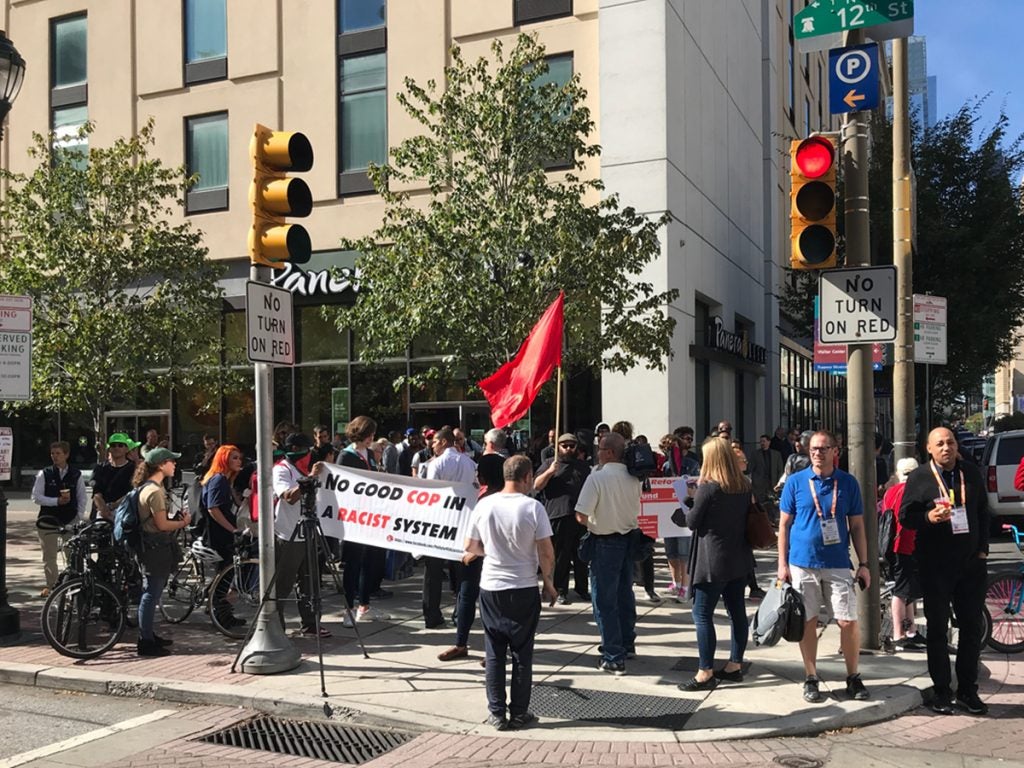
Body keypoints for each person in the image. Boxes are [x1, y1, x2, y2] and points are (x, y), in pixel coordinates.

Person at [899, 427, 990, 716]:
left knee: (972, 628)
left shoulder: (971, 472)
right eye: (939, 444)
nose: (946, 447)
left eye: (950, 442)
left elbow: (983, 512)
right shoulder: (921, 477)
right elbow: (906, 516)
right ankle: (941, 691)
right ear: (929, 448)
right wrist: (928, 516)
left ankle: (967, 689)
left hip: (970, 565)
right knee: (938, 630)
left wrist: (983, 550)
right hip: (935, 565)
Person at [777, 430, 870, 703]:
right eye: (814, 449)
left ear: (835, 451)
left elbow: (856, 526)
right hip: (802, 564)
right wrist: (782, 564)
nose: (818, 453)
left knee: (847, 620)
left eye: (824, 448)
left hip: (838, 563)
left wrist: (863, 564)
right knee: (808, 620)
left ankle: (853, 676)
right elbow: (783, 525)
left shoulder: (848, 483)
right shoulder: (795, 482)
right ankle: (810, 676)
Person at [465, 454, 556, 731]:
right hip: (523, 586)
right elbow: (546, 551)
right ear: (527, 477)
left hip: (492, 586)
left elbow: (471, 545)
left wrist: (487, 552)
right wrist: (549, 582)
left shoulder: (484, 505)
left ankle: (496, 712)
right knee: (522, 653)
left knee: (494, 652)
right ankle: (518, 711)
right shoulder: (533, 508)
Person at [678, 438, 752, 691]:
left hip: (712, 560)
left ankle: (705, 671)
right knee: (737, 613)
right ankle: (735, 665)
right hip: (738, 557)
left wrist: (688, 500)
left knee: (702, 615)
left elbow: (692, 522)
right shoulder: (744, 485)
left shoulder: (709, 488)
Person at [437, 429, 510, 661]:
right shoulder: (481, 494)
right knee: (466, 598)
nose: (476, 473)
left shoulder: (496, 500)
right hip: (473, 556)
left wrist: (475, 553)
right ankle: (461, 643)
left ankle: (495, 650)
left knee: (493, 607)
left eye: (480, 471)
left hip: (486, 560)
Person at [575, 432, 640, 675]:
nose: (597, 452)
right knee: (625, 593)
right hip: (629, 538)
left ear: (610, 452)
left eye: (601, 448)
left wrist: (593, 523)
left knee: (604, 600)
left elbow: (581, 513)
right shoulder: (633, 476)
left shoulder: (597, 477)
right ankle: (626, 643)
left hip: (604, 541)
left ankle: (613, 655)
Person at [134, 447, 191, 657]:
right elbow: (161, 525)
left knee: (152, 592)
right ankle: (145, 641)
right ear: (160, 465)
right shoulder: (154, 492)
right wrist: (183, 522)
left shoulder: (148, 487)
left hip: (151, 546)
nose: (174, 465)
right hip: (155, 547)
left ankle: (148, 635)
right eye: (171, 461)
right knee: (151, 594)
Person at [272, 432, 329, 637]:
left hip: (309, 532)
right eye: (307, 450)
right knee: (283, 583)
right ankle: (276, 627)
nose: (309, 455)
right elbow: (289, 497)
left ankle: (311, 623)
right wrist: (310, 478)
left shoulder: (301, 468)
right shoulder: (282, 469)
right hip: (289, 534)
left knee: (311, 581)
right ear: (295, 450)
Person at [422, 427, 478, 628]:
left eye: (435, 442)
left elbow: (430, 493)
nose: (432, 445)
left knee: (434, 570)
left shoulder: (436, 464)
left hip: (440, 520)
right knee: (461, 570)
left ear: (444, 442)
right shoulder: (469, 463)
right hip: (462, 520)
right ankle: (460, 614)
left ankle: (432, 614)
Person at [339, 416, 389, 624]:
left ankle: (364, 605)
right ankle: (348, 608)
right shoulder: (345, 456)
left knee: (370, 562)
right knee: (352, 564)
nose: (372, 438)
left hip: (370, 516)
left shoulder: (369, 454)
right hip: (353, 518)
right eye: (369, 434)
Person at [534, 433, 591, 605]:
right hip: (557, 514)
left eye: (571, 446)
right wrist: (550, 472)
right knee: (560, 557)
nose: (568, 449)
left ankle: (582, 588)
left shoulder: (582, 466)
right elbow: (536, 485)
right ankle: (559, 590)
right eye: (564, 445)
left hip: (579, 516)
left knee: (581, 555)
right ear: (557, 446)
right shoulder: (549, 463)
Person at [31, 441, 88, 595]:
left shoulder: (76, 474)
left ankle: (72, 585)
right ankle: (52, 586)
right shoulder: (45, 473)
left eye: (58, 453)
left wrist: (78, 516)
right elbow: (36, 497)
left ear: (66, 455)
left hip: (70, 519)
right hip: (48, 520)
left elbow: (82, 497)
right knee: (49, 556)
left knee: (72, 554)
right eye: (52, 453)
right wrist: (55, 501)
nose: (55, 456)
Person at [881, 457, 925, 651]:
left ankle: (911, 630)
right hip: (906, 544)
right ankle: (900, 633)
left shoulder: (891, 492)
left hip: (892, 545)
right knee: (901, 591)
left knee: (906, 589)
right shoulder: (914, 492)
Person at [200, 444, 247, 629]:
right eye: (234, 458)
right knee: (225, 573)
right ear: (224, 459)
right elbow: (213, 508)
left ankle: (219, 608)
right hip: (218, 534)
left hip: (222, 533)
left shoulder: (225, 480)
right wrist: (232, 529)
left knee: (225, 572)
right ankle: (220, 614)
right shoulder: (218, 479)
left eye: (239, 458)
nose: (238, 461)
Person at [92, 433, 140, 521]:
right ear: (109, 448)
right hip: (102, 513)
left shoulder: (134, 469)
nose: (116, 448)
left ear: (126, 449)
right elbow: (96, 492)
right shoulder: (100, 468)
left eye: (120, 445)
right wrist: (103, 508)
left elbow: (133, 492)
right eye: (113, 445)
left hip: (125, 513)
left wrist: (113, 506)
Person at [749, 434, 783, 517]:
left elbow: (780, 470)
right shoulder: (755, 454)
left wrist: (779, 483)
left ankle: (773, 520)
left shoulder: (776, 454)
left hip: (772, 483)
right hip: (759, 485)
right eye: (761, 441)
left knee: (773, 504)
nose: (762, 443)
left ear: (769, 442)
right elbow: (750, 468)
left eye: (764, 441)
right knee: (761, 505)